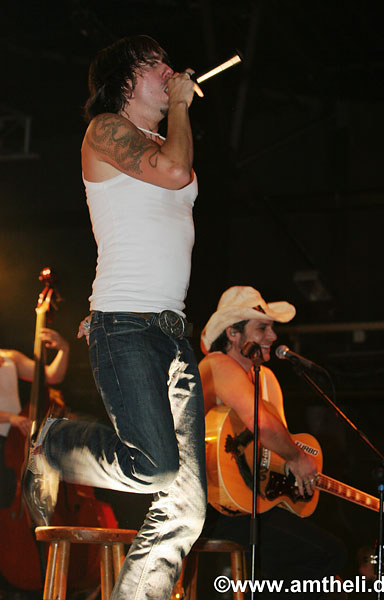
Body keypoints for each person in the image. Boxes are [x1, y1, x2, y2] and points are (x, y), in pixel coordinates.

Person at [23, 35, 206, 600]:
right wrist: (181, 103)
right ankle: (57, 442)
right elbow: (173, 172)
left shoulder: (164, 139)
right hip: (127, 324)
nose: (170, 71)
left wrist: (176, 113)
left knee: (186, 509)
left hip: (171, 330)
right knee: (154, 468)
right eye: (157, 65)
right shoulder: (105, 129)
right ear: (125, 80)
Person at [199, 286, 347, 599]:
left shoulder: (266, 379)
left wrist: (295, 477)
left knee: (326, 564)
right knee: (326, 555)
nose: (273, 336)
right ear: (233, 333)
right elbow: (263, 425)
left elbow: (274, 451)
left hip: (250, 504)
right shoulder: (216, 364)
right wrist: (297, 458)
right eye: (262, 328)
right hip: (211, 506)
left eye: (272, 328)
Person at [0, 328, 69, 507]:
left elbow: (53, 376)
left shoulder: (10, 357)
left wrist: (63, 349)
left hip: (15, 442)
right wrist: (10, 417)